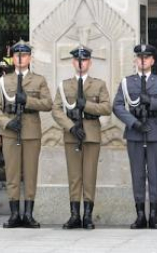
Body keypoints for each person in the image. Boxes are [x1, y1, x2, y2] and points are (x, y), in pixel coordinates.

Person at [0, 40, 52, 229]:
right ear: (13, 57)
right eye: (17, 55)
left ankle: (28, 214)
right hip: (10, 131)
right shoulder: (4, 81)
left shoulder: (39, 80)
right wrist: (7, 123)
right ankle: (14, 214)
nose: (20, 58)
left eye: (24, 55)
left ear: (29, 58)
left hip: (31, 131)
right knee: (12, 173)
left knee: (31, 174)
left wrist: (28, 101)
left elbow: (48, 104)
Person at [112, 44, 157, 230]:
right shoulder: (127, 82)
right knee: (137, 174)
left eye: (146, 57)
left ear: (152, 61)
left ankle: (154, 216)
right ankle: (140, 215)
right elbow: (117, 106)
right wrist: (133, 122)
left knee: (155, 175)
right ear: (135, 60)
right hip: (135, 131)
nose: (143, 60)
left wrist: (152, 102)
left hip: (155, 131)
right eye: (139, 57)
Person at [51, 45, 111, 230]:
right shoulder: (64, 85)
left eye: (84, 60)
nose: (80, 63)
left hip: (91, 134)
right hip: (72, 135)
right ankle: (74, 215)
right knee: (74, 176)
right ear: (72, 62)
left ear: (90, 62)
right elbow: (56, 109)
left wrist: (87, 107)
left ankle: (87, 215)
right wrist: (70, 127)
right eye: (77, 60)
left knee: (89, 175)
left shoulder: (99, 84)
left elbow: (107, 108)